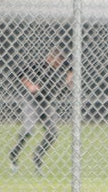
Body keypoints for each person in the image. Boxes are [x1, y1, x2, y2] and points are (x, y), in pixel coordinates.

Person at [9, 47, 73, 175]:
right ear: (49, 58)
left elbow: (71, 70)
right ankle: (14, 155)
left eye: (59, 62)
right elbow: (18, 72)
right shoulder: (38, 65)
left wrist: (69, 79)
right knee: (28, 130)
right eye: (55, 61)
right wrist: (30, 86)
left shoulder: (62, 65)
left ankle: (37, 157)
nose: (57, 64)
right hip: (33, 100)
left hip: (48, 101)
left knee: (52, 133)